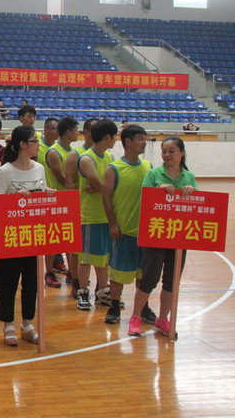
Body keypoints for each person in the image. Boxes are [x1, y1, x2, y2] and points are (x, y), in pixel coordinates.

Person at [128, 137, 197, 338]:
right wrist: (157, 191)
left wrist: (192, 192)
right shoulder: (153, 174)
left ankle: (163, 319)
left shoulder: (189, 177)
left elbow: (199, 207)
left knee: (171, 281)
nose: (167, 155)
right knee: (149, 278)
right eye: (164, 151)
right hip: (157, 235)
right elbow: (144, 199)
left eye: (171, 151)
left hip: (179, 237)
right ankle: (136, 317)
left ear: (181, 153)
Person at [0, 125, 53, 346]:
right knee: (9, 281)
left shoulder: (39, 168)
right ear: (23, 145)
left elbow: (42, 194)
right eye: (34, 141)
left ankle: (27, 323)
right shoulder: (5, 171)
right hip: (12, 234)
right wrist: (16, 198)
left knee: (32, 281)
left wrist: (48, 194)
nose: (38, 145)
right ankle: (8, 324)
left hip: (34, 234)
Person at [101, 125, 151, 326]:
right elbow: (105, 197)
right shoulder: (114, 168)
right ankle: (114, 306)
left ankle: (143, 308)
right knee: (118, 272)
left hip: (145, 232)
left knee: (144, 274)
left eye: (145, 138)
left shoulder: (148, 166)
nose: (144, 142)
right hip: (123, 231)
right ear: (128, 142)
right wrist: (112, 224)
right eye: (140, 139)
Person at [77, 119, 119, 311]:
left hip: (106, 214)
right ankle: (82, 293)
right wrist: (102, 188)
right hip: (90, 215)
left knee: (103, 256)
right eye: (114, 136)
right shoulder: (87, 159)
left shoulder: (109, 157)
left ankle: (102, 292)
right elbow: (100, 185)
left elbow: (110, 186)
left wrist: (103, 188)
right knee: (86, 258)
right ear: (107, 137)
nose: (115, 140)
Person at [45, 116, 80, 291]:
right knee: (53, 240)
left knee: (70, 239)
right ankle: (49, 273)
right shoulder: (54, 152)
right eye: (76, 130)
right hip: (55, 201)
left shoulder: (73, 151)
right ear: (67, 132)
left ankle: (72, 273)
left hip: (69, 201)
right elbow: (63, 179)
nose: (78, 133)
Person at [36, 117, 64, 288]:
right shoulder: (37, 146)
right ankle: (45, 271)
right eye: (53, 128)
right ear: (45, 129)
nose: (57, 132)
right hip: (38, 199)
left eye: (58, 129)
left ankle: (53, 268)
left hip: (57, 198)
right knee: (42, 238)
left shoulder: (61, 149)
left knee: (55, 237)